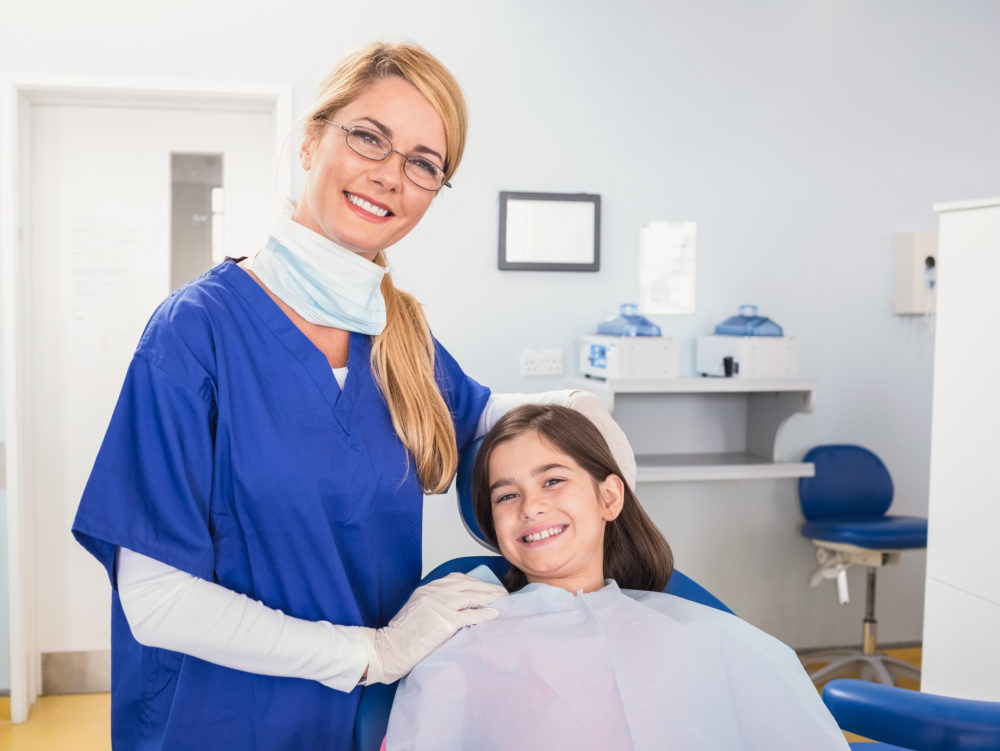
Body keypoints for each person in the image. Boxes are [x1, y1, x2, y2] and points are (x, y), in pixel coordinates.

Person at [71, 43, 631, 751]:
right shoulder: (194, 332)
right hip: (219, 722)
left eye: (423, 163)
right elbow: (157, 601)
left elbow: (492, 418)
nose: (390, 176)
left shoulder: (400, 334)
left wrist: (584, 409)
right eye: (370, 137)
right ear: (310, 141)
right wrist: (374, 653)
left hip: (364, 725)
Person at [385, 405, 850, 750]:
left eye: (552, 480)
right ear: (493, 525)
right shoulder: (461, 637)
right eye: (506, 495)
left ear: (609, 498)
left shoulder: (705, 633)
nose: (531, 507)